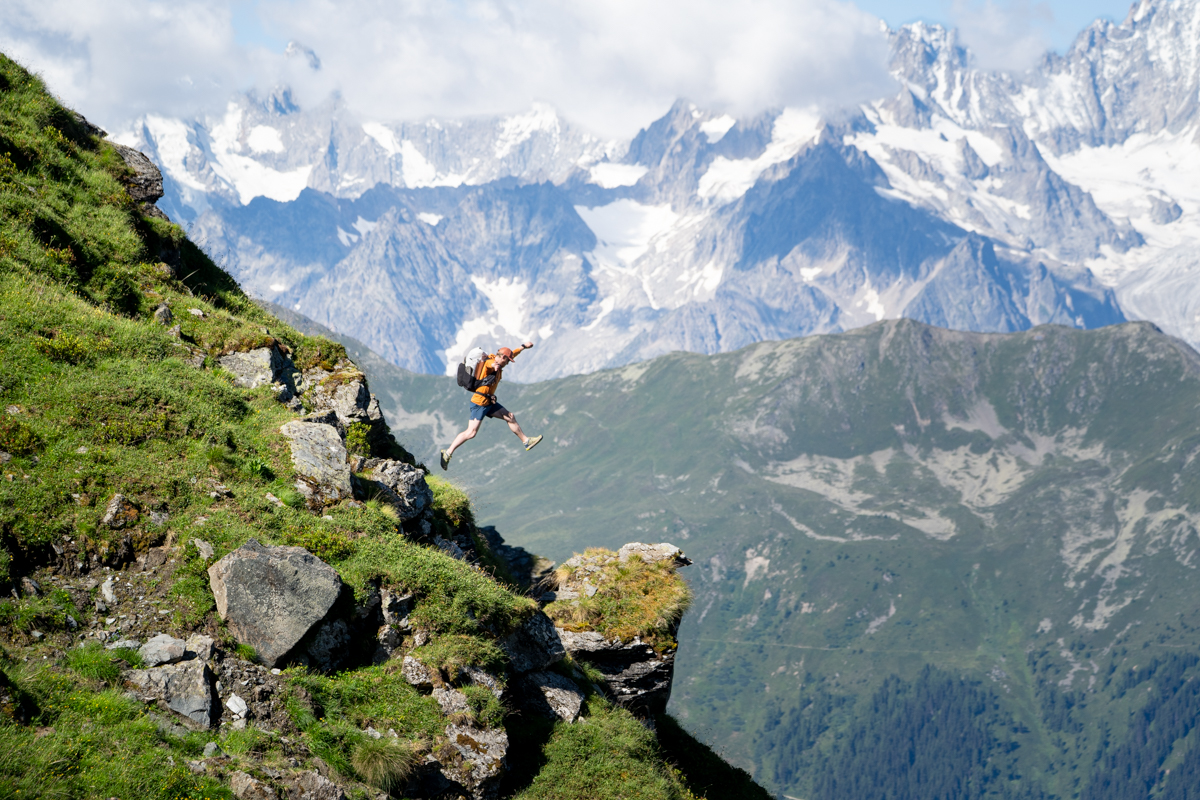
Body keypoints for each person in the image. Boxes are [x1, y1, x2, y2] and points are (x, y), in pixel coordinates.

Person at [440, 341, 542, 470]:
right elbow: (490, 364)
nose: (508, 363)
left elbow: (512, 354)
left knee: (510, 416)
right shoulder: (490, 362)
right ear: (502, 358)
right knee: (471, 433)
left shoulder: (500, 360)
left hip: (488, 401)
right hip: (479, 403)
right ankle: (447, 453)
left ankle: (526, 442)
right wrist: (494, 366)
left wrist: (523, 347)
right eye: (507, 361)